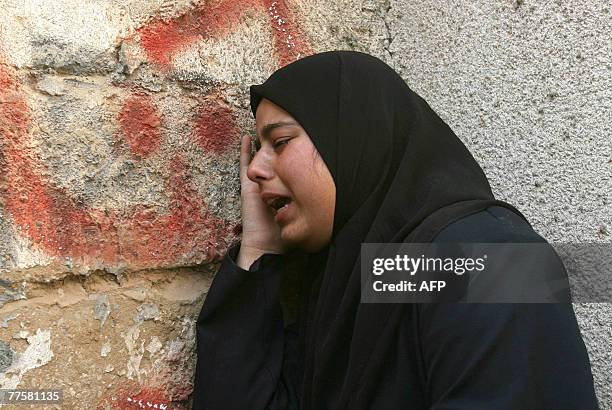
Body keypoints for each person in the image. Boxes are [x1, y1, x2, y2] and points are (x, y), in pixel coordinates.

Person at [191, 51, 599, 409]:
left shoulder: (486, 259)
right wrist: (260, 246)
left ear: (352, 139)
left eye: (280, 143)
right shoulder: (362, 273)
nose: (255, 170)